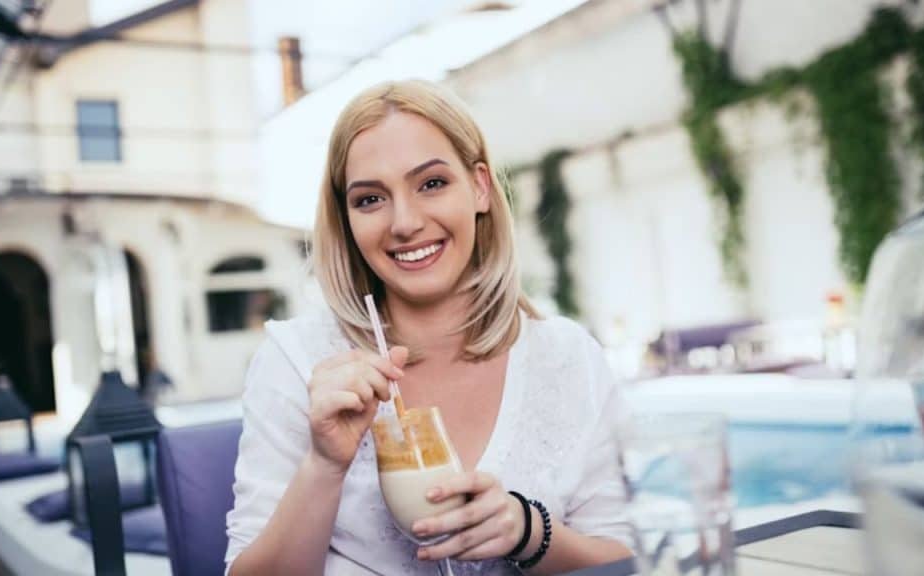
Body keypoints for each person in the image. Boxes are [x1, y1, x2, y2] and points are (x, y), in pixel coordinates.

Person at [225, 79, 632, 575]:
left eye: (432, 184)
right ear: (346, 219)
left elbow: (624, 560)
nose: (404, 222)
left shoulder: (568, 357)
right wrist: (325, 464)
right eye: (370, 199)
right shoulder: (297, 362)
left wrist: (529, 532)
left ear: (480, 186)